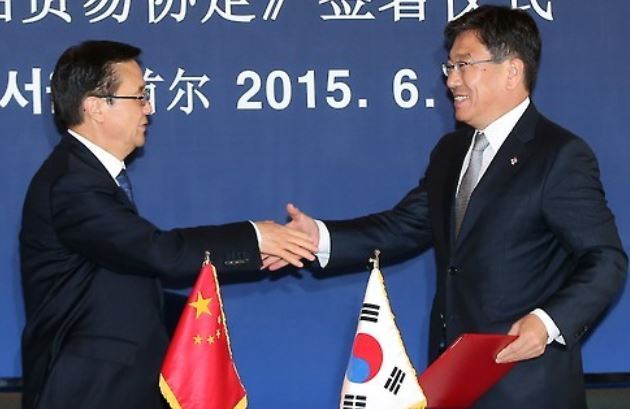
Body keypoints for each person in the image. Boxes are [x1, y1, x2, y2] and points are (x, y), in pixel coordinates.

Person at [266, 6, 627, 408]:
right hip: (453, 383)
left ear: (512, 71)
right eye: (449, 67)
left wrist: (547, 323)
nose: (451, 80)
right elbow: (403, 227)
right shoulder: (451, 151)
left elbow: (605, 259)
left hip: (527, 387)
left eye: (464, 65)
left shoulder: (558, 156)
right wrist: (320, 238)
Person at [19, 40, 316, 409]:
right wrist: (257, 237)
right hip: (89, 393)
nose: (149, 108)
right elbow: (158, 252)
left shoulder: (90, 176)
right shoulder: (72, 184)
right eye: (139, 97)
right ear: (95, 106)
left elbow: (123, 283)